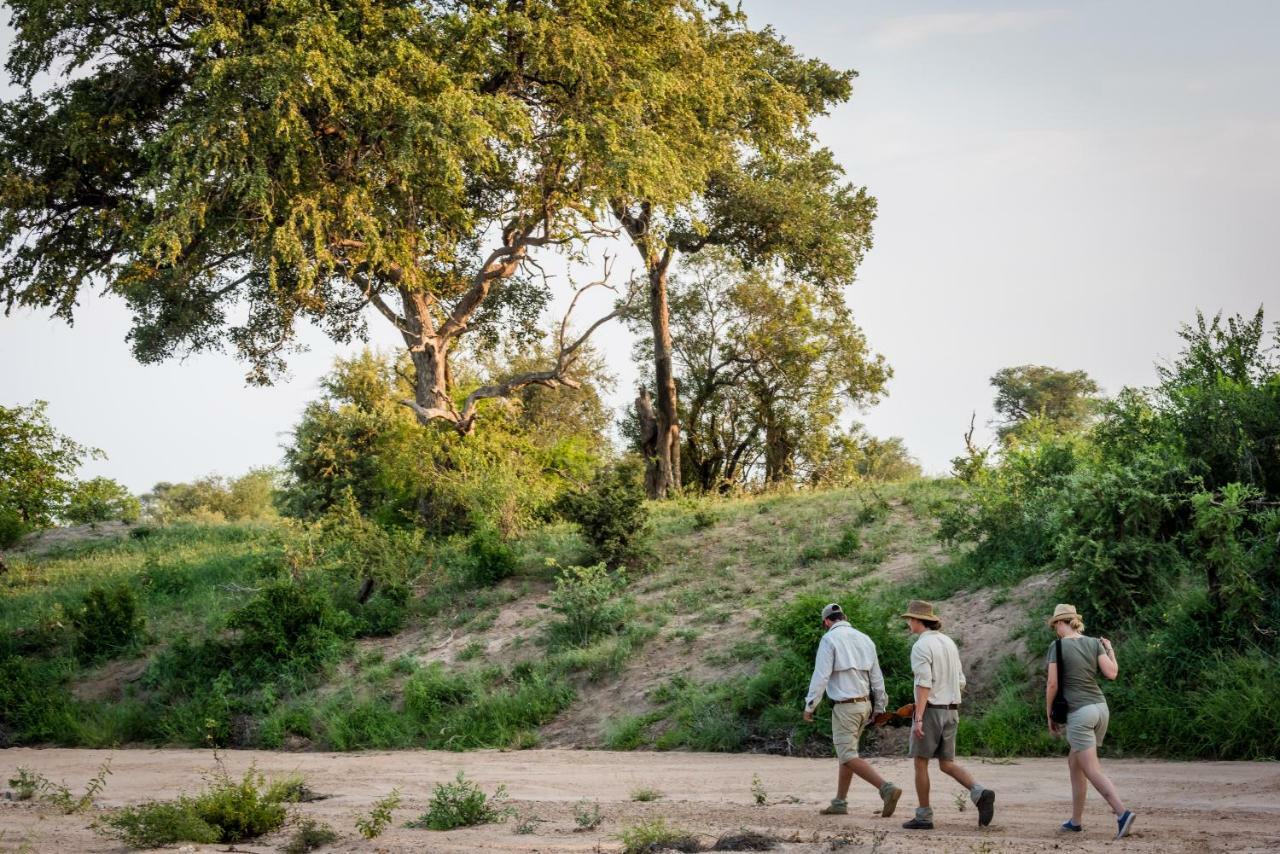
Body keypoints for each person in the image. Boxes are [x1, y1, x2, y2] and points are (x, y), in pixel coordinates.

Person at [900, 599, 995, 830]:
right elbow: (960, 680)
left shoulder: (921, 646)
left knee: (920, 763)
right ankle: (978, 791)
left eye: (910, 619)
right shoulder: (948, 642)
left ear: (918, 621)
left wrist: (919, 716)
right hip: (951, 710)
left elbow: (924, 683)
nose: (908, 623)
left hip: (931, 711)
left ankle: (924, 816)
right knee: (947, 763)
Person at [803, 602, 904, 818]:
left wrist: (810, 705)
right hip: (865, 705)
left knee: (847, 754)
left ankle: (886, 788)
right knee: (848, 753)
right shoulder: (865, 639)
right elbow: (877, 678)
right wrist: (880, 708)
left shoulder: (829, 639)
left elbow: (821, 676)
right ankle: (840, 802)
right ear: (845, 617)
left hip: (845, 707)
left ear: (826, 622)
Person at [1045, 603, 1135, 840]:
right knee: (1075, 764)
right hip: (1100, 708)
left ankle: (1122, 812)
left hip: (1080, 713)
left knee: (1092, 770)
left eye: (1055, 624)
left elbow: (1052, 684)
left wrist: (1049, 714)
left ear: (1059, 623)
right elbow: (1112, 673)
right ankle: (1075, 821)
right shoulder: (1095, 642)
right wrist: (1110, 650)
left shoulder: (1057, 646)